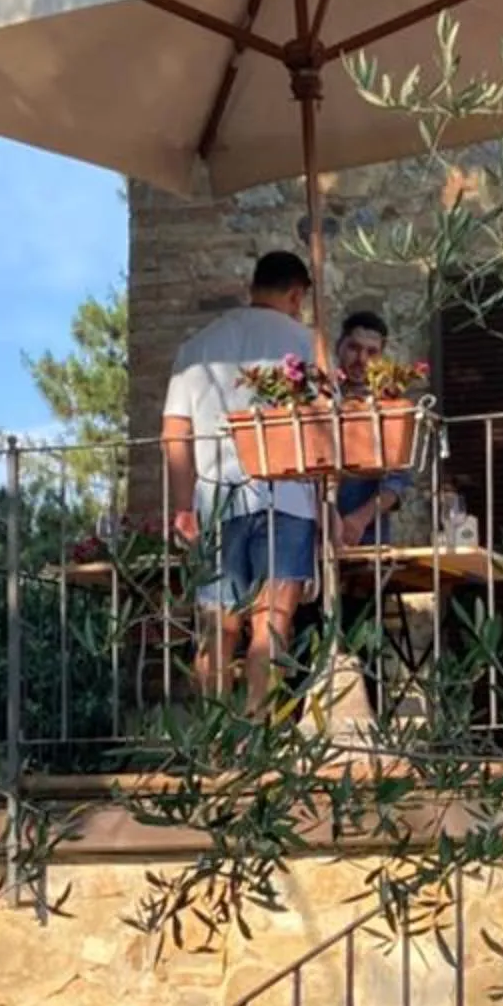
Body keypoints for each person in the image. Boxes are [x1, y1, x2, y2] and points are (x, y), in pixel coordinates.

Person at [162, 250, 322, 710]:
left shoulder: (197, 347)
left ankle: (213, 744)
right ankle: (258, 737)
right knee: (272, 622)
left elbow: (174, 432)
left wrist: (183, 507)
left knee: (218, 625)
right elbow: (321, 429)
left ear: (253, 285)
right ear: (296, 294)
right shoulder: (307, 341)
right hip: (287, 497)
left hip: (216, 495)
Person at [333, 309, 412, 552]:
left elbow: (396, 483)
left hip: (366, 536)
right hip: (316, 531)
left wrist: (359, 519)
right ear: (339, 347)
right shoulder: (319, 398)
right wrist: (328, 518)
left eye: (371, 352)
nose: (361, 359)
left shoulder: (390, 408)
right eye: (354, 348)